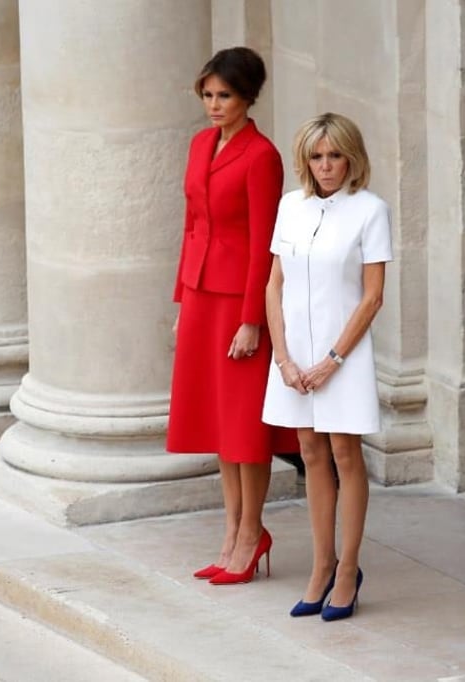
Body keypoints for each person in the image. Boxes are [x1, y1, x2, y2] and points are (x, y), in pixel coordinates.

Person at [167, 47, 297, 585]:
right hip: (201, 295)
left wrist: (253, 320)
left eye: (224, 96)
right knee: (219, 424)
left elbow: (266, 245)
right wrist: (181, 299)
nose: (214, 105)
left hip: (241, 303)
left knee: (244, 425)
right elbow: (192, 223)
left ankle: (251, 534)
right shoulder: (200, 144)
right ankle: (231, 532)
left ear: (248, 98)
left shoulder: (261, 155)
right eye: (208, 96)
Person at [262, 113, 392, 621]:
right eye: (317, 156)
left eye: (334, 155)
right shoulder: (290, 207)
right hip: (293, 358)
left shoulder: (370, 211)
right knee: (310, 451)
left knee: (344, 452)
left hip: (345, 355)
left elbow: (373, 295)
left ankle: (348, 570)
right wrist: (283, 357)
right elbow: (275, 285)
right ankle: (320, 566)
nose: (325, 166)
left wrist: (333, 360)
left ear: (351, 157)